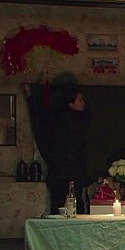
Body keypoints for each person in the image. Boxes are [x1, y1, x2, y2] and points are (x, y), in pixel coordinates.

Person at [23, 82, 91, 215]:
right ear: (70, 103)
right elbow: (40, 115)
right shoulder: (67, 119)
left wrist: (30, 96)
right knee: (68, 207)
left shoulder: (68, 119)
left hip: (64, 173)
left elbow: (40, 115)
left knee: (65, 207)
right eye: (80, 100)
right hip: (65, 172)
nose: (83, 103)